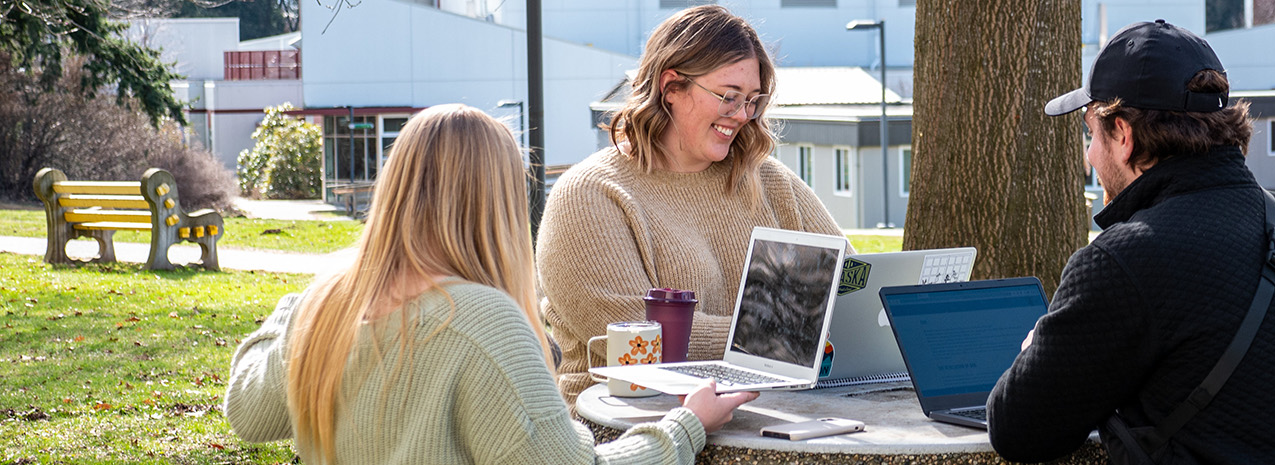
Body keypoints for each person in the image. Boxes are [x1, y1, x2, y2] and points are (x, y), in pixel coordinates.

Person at [223, 104, 758, 464]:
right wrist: (687, 423)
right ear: (497, 201)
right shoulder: (481, 320)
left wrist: (304, 300)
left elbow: (247, 413)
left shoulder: (328, 302)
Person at [985, 20, 1275, 464]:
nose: (1089, 155)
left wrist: (1037, 348)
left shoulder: (1125, 261)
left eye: (1090, 133)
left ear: (1123, 135)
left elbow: (1017, 431)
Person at [537, 5, 845, 402]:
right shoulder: (590, 195)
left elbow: (853, 285)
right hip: (636, 429)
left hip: (779, 409)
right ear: (671, 87)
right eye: (729, 96)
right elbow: (635, 338)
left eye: (752, 100)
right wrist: (792, 338)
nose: (742, 115)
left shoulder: (769, 180)